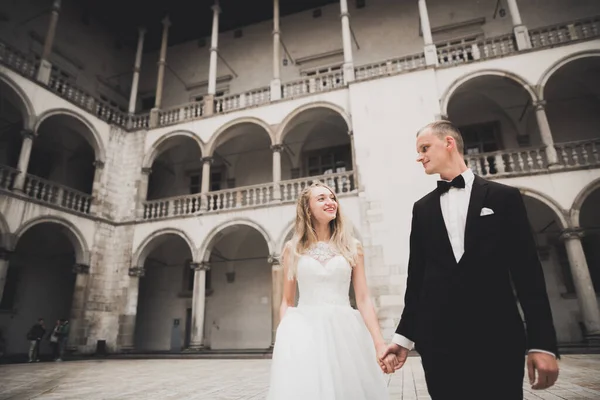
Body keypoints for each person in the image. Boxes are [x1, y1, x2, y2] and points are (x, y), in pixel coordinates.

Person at [380, 121, 560, 400]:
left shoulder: (504, 198)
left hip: (498, 338)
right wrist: (403, 339)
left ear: (449, 143)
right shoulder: (422, 209)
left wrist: (542, 344)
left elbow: (528, 275)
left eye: (424, 148)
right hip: (438, 343)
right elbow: (416, 281)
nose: (419, 156)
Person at [267, 182, 393, 399]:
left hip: (345, 330)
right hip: (304, 330)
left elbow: (363, 298)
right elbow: (287, 300)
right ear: (307, 209)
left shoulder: (353, 246)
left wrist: (379, 342)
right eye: (322, 198)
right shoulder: (292, 249)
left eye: (332, 197)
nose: (330, 202)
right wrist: (284, 337)